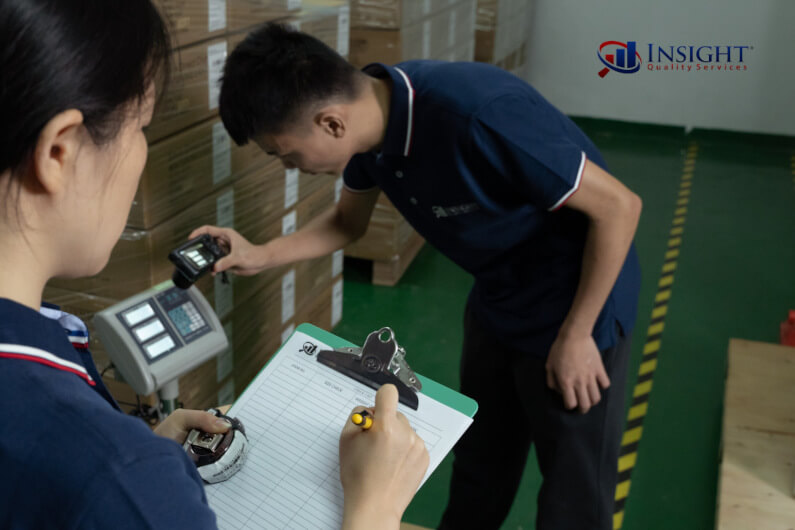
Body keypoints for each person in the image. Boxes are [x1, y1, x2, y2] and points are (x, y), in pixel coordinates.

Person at [191, 23, 643, 530]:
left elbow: (620, 207)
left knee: (572, 489)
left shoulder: (478, 114)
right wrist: (260, 254)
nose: (290, 168)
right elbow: (347, 223)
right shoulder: (372, 134)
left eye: (286, 155)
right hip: (499, 294)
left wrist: (579, 334)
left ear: (331, 123)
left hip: (579, 302)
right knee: (480, 460)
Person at [0, 2, 427, 529]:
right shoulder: (122, 475)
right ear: (59, 153)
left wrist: (134, 454)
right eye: (143, 127)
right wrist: (375, 507)